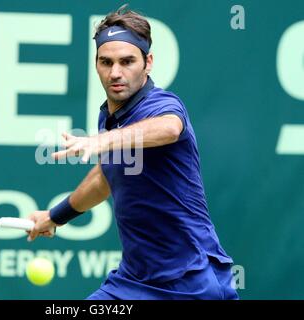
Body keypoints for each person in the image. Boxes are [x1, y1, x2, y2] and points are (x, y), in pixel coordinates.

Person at [27, 5, 239, 300]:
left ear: (148, 62)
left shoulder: (162, 105)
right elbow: (104, 178)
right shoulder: (111, 117)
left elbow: (169, 129)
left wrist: (103, 141)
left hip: (193, 279)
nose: (115, 73)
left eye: (127, 61)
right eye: (106, 62)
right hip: (133, 281)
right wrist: (55, 216)